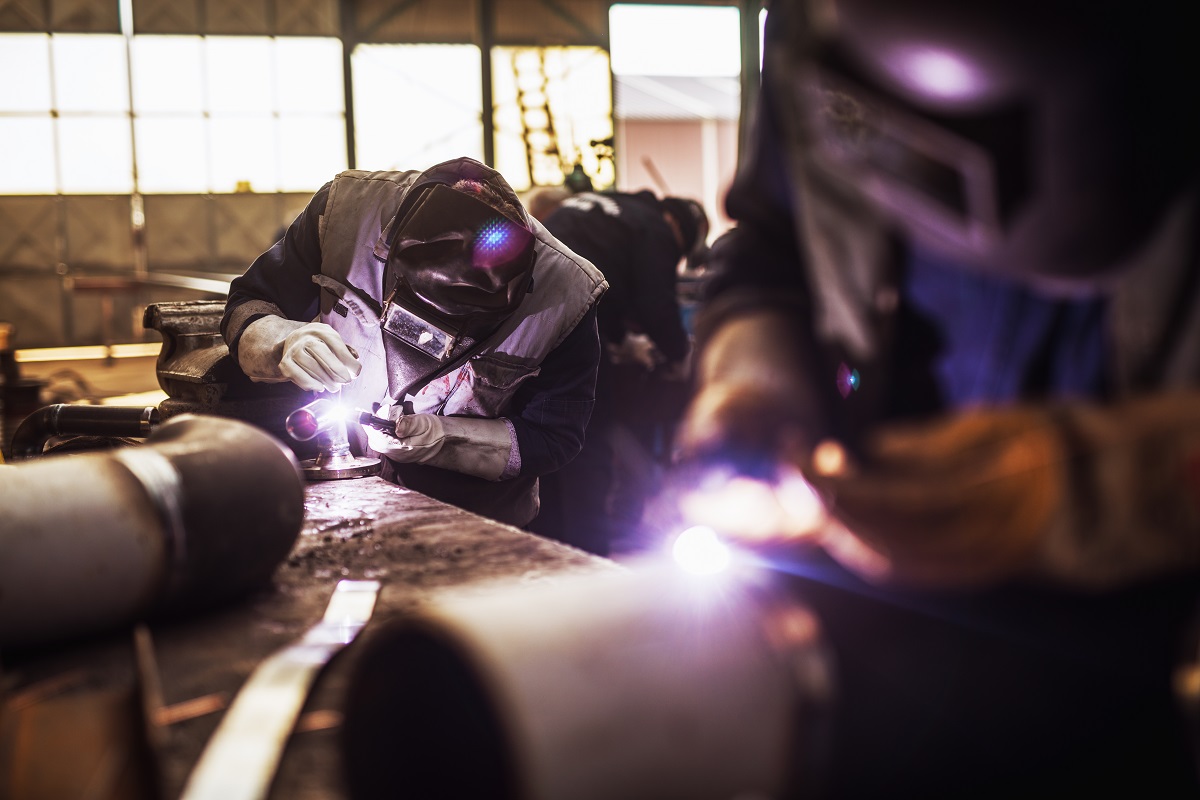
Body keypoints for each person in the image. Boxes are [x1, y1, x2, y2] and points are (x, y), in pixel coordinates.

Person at [672, 0, 1200, 795]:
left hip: (1155, 632)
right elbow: (773, 247)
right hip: (879, 597)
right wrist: (752, 377)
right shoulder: (819, 26)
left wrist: (1115, 486)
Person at [222, 157, 608, 528]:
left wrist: (445, 440)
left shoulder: (568, 293)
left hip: (474, 526)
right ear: (391, 252)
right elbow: (247, 304)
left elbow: (554, 436)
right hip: (335, 501)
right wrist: (283, 340)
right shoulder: (346, 212)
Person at [527, 189, 708, 555]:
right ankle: (589, 555)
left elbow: (607, 280)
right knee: (588, 442)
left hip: (530, 324)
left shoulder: (608, 206)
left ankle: (544, 551)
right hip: (572, 323)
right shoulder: (655, 227)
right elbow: (656, 305)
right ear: (678, 228)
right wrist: (681, 356)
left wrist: (621, 338)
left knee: (542, 442)